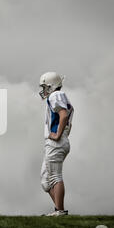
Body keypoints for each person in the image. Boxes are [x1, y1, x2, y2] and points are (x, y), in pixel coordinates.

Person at [38, 72, 74, 216]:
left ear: (52, 85)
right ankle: (59, 210)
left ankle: (59, 211)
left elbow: (63, 115)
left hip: (56, 142)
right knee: (45, 181)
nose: (44, 90)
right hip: (58, 141)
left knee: (55, 177)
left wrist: (58, 134)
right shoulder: (58, 96)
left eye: (45, 86)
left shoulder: (55, 95)